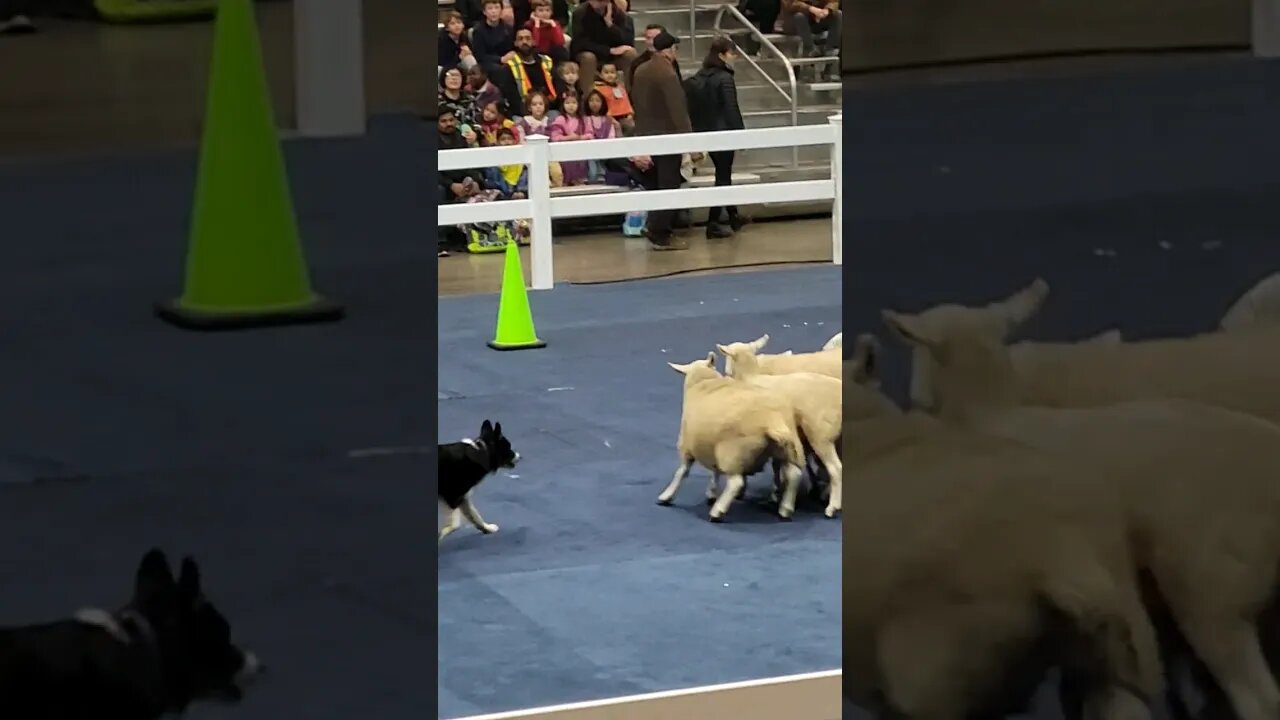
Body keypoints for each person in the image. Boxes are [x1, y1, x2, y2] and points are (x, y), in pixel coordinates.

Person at [629, 32, 692, 251]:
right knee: (670, 184)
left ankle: (654, 225)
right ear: (671, 49)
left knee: (656, 184)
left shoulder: (641, 69)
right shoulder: (667, 72)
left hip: (646, 132)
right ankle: (660, 232)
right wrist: (689, 139)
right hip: (667, 135)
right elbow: (677, 108)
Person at [687, 37, 749, 239]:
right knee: (723, 176)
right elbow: (731, 108)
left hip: (706, 131)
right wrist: (740, 133)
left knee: (723, 175)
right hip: (723, 132)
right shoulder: (725, 78)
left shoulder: (700, 76)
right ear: (722, 55)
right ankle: (713, 222)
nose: (735, 57)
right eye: (732, 53)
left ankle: (732, 215)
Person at [437, 108, 485, 256]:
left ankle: (476, 237)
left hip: (461, 180)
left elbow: (470, 163)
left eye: (451, 120)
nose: (448, 124)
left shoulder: (461, 138)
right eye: (444, 121)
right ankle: (440, 241)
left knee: (484, 187)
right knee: (438, 190)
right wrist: (451, 185)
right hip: (442, 181)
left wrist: (475, 181)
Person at [568, 0, 636, 96]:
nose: (597, 3)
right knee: (588, 57)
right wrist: (608, 50)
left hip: (613, 56)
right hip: (591, 53)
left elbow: (627, 41)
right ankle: (588, 99)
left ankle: (628, 97)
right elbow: (580, 43)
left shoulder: (618, 13)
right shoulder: (580, 13)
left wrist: (610, 25)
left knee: (630, 53)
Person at [502, 27, 560, 115]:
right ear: (516, 43)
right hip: (524, 113)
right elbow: (512, 97)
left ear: (534, 41)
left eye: (528, 38)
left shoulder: (546, 61)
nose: (524, 42)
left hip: (549, 109)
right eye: (520, 39)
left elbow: (558, 85)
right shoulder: (510, 66)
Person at [786, 0, 840, 78]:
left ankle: (830, 50)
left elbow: (834, 2)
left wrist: (827, 10)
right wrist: (810, 9)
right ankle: (810, 49)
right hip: (797, 19)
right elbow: (789, 4)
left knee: (838, 14)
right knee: (799, 16)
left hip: (818, 18)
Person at [471, 0, 517, 77]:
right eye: (490, 8)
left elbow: (512, 49)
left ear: (501, 10)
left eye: (496, 8)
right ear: (484, 12)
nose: (493, 11)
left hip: (507, 61)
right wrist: (500, 59)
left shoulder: (508, 29)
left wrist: (511, 55)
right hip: (488, 63)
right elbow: (480, 56)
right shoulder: (478, 31)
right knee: (500, 70)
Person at [593, 61, 634, 135]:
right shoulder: (598, 89)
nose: (610, 75)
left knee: (631, 125)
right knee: (617, 127)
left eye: (612, 72)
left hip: (623, 115)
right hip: (607, 117)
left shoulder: (620, 87)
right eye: (606, 72)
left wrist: (629, 114)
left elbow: (626, 101)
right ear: (600, 75)